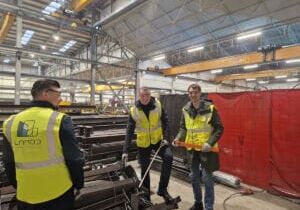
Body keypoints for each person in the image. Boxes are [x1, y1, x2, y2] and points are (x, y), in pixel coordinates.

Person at [2, 79, 84, 210]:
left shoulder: (10, 123)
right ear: (46, 93)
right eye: (58, 94)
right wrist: (79, 184)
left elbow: (8, 161)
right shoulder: (60, 120)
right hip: (59, 193)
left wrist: (19, 186)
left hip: (25, 195)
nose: (60, 99)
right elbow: (74, 159)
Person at [173, 84, 224, 210]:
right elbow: (183, 128)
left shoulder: (210, 109)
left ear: (200, 93)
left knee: (207, 180)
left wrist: (210, 143)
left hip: (206, 150)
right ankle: (198, 203)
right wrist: (178, 138)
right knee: (194, 178)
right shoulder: (185, 109)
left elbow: (219, 128)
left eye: (195, 92)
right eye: (190, 92)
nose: (193, 95)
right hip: (191, 150)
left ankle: (208, 207)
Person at [122, 87, 174, 202]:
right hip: (144, 143)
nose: (145, 98)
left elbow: (166, 122)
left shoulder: (158, 105)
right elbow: (129, 131)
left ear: (150, 95)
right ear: (139, 96)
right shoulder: (134, 110)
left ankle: (162, 190)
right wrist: (125, 150)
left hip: (158, 141)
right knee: (145, 168)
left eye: (147, 95)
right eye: (142, 95)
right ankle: (146, 195)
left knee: (168, 157)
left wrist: (166, 138)